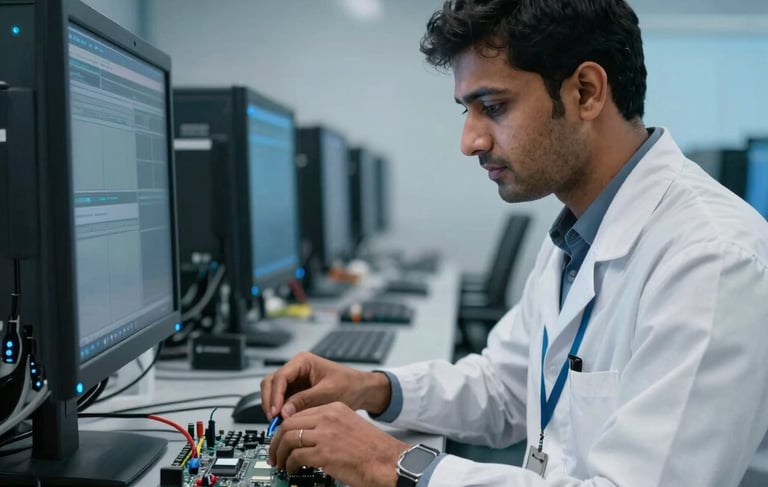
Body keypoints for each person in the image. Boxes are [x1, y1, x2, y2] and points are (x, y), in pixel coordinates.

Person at [261, 0, 768, 485]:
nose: (470, 142)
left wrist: (388, 463)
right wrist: (372, 388)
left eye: (494, 106)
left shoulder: (713, 261)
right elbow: (505, 389)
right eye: (467, 111)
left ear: (587, 92)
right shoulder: (579, 230)